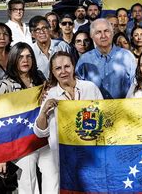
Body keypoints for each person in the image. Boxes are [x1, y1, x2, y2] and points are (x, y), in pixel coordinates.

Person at [34, 52, 103, 191]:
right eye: (58, 68)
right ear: (52, 72)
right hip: (62, 157)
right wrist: (43, 112)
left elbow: (103, 118)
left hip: (90, 154)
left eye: (67, 66)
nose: (63, 71)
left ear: (73, 66)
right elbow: (39, 132)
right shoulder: (50, 95)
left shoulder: (90, 88)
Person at [0, 42, 51, 194]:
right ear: (13, 59)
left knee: (52, 177)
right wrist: (0, 156)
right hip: (19, 142)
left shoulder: (39, 77)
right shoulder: (5, 85)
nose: (25, 60)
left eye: (28, 56)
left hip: (42, 138)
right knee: (28, 182)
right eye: (20, 57)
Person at [76, 19, 136, 99]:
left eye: (106, 31)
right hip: (94, 109)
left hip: (123, 109)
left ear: (112, 33)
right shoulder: (84, 60)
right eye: (98, 32)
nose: (103, 36)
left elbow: (135, 85)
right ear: (92, 36)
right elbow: (78, 89)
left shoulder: (127, 56)